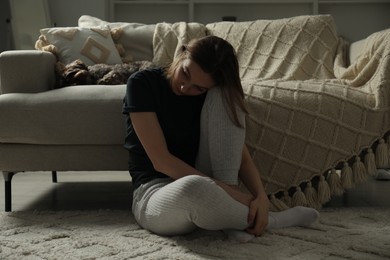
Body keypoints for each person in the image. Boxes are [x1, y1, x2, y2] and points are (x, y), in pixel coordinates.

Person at [122, 35, 319, 242]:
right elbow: (161, 161)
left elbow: (239, 154)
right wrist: (240, 199)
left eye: (199, 88)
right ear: (181, 55)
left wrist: (261, 197)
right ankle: (271, 221)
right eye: (185, 73)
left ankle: (229, 221)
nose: (185, 88)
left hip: (208, 181)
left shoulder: (211, 94)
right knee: (194, 187)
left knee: (227, 95)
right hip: (154, 192)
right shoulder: (142, 83)